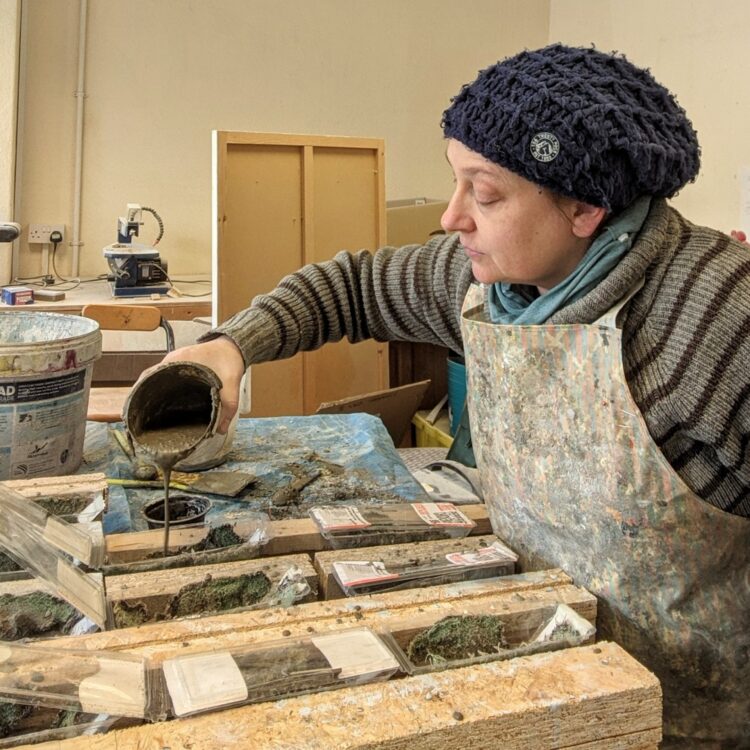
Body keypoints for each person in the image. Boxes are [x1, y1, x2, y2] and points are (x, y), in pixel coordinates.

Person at [161, 44, 749, 747]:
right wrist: (229, 347)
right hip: (538, 677)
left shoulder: (718, 313)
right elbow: (348, 287)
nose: (450, 218)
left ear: (586, 205)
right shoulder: (488, 284)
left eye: (486, 192)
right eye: (455, 182)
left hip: (683, 719)